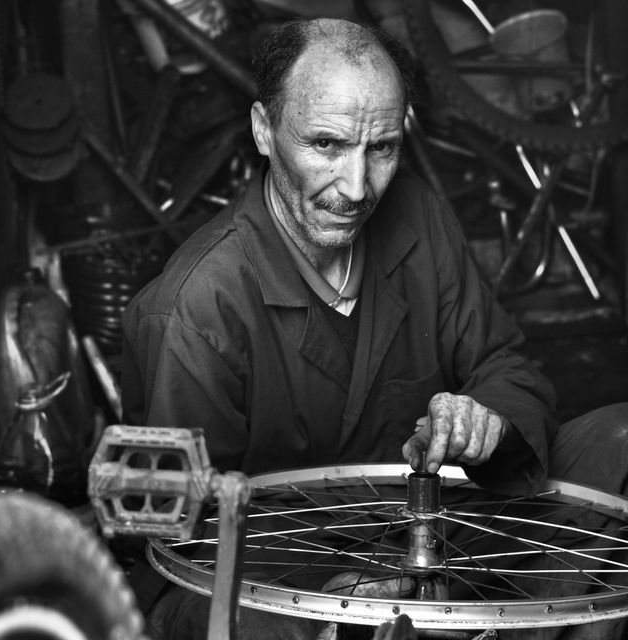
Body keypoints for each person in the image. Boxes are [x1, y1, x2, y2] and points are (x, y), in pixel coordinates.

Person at [120, 16, 628, 640]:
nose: (357, 188)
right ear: (263, 130)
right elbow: (185, 539)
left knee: (620, 439)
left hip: (441, 533)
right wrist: (340, 595)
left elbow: (505, 364)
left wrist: (488, 422)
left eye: (381, 148)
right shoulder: (194, 309)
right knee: (238, 620)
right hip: (290, 585)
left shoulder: (416, 212)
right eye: (327, 145)